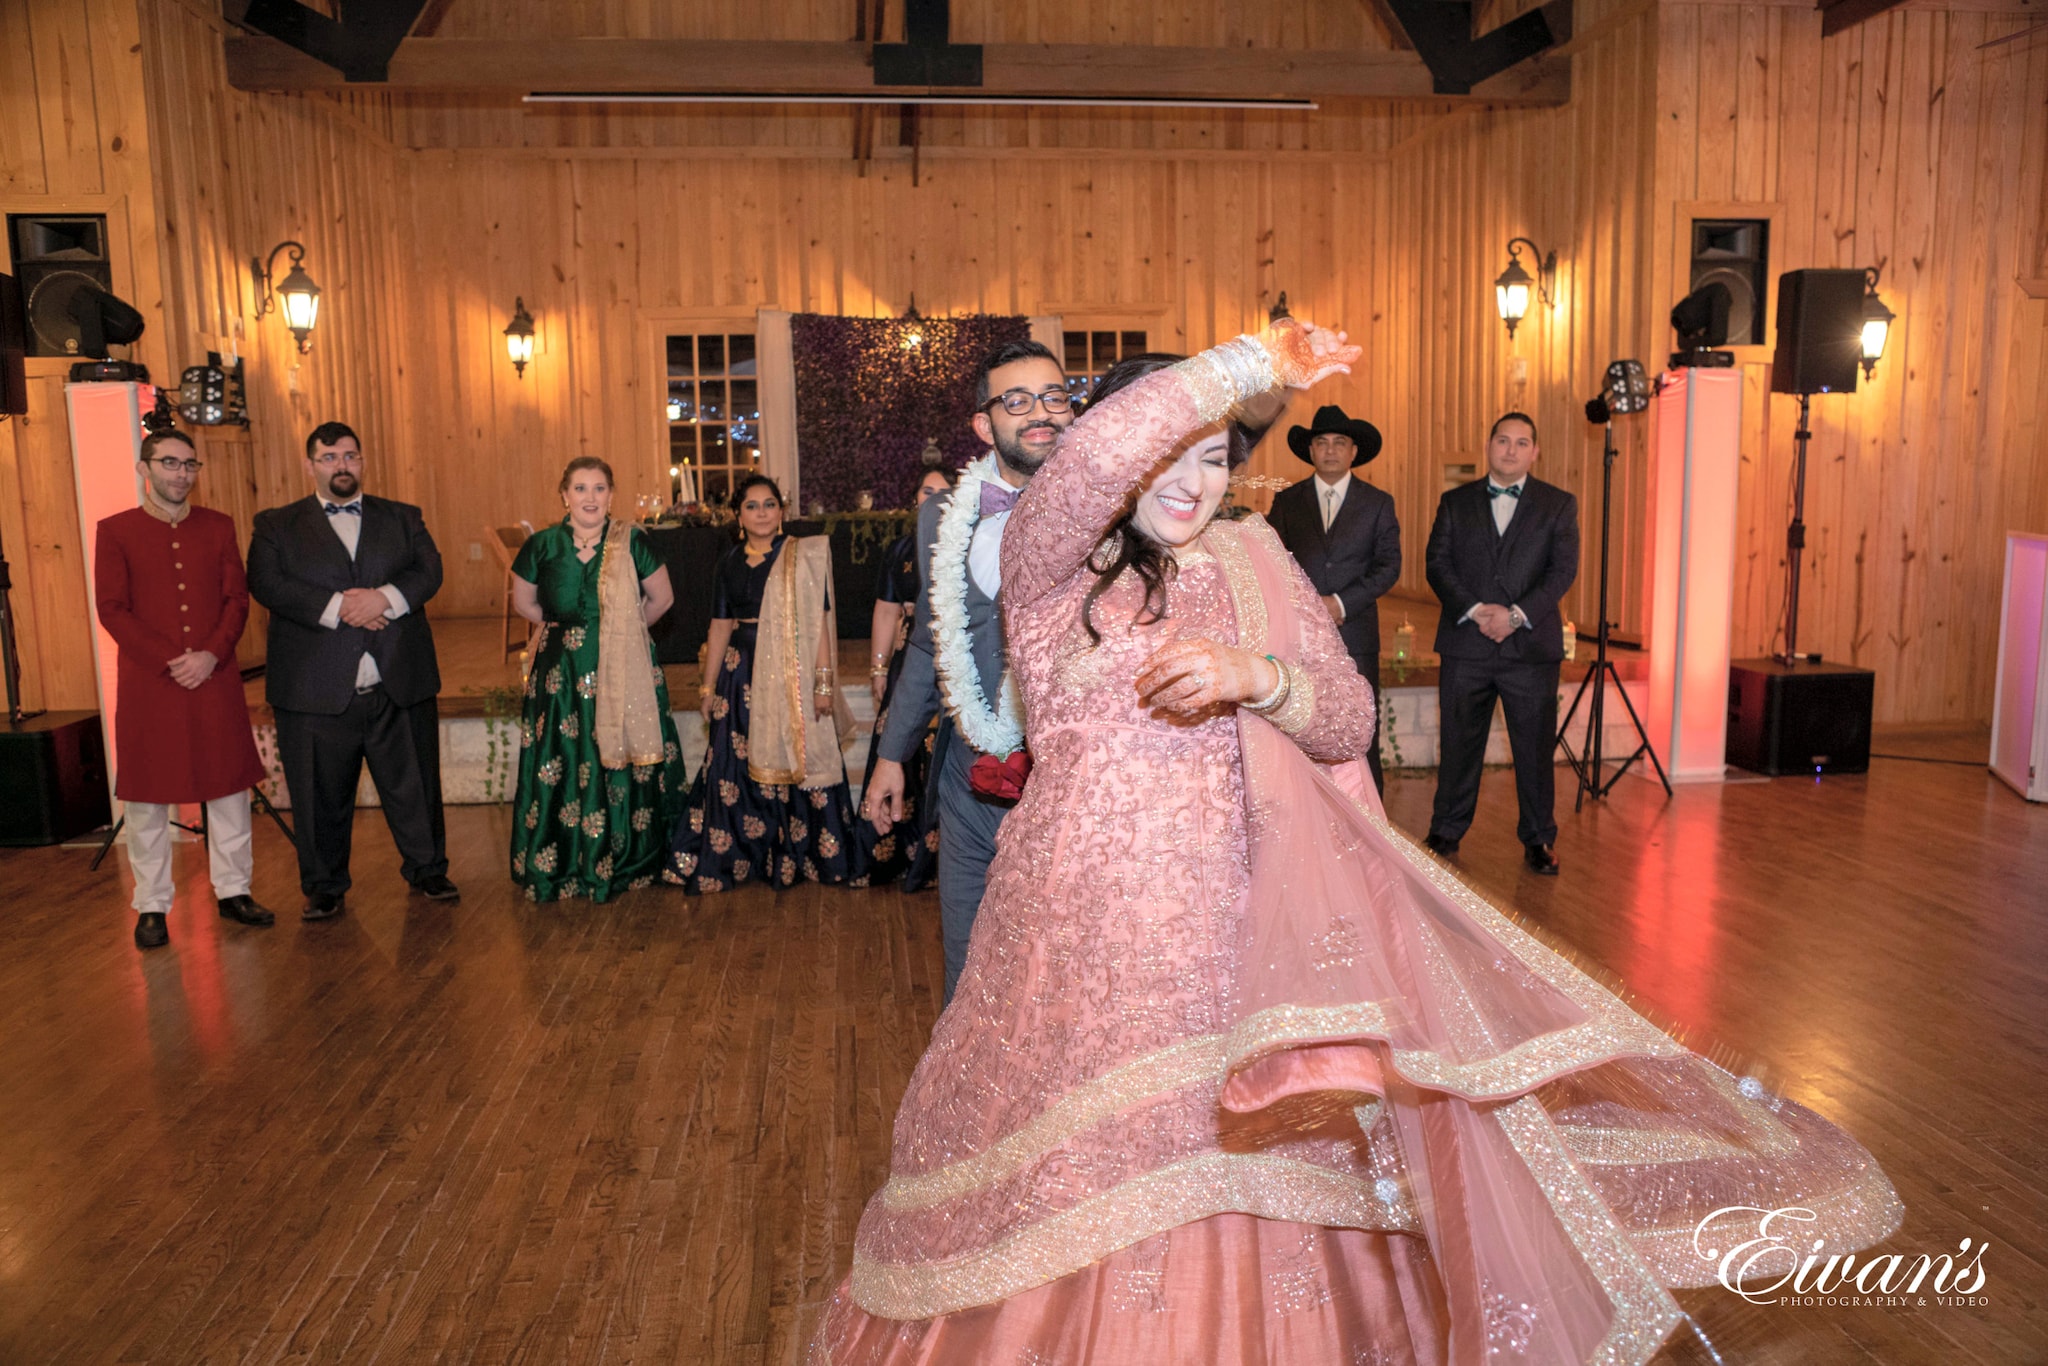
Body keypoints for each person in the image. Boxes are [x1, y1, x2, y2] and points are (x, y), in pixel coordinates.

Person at [812, 324, 1901, 1363]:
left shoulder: (1256, 560)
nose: (1194, 483)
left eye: (1215, 458)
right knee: (1082, 1182)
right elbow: (1093, 454)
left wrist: (1262, 677)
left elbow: (1340, 717)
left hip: (1239, 930)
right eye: (1169, 457)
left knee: (1239, 1168)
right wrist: (1249, 361)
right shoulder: (1050, 560)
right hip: (1075, 950)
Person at [862, 339, 1077, 1002]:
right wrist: (893, 754)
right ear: (986, 425)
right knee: (970, 969)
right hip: (968, 777)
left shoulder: (1111, 512)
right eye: (1017, 400)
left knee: (1066, 974)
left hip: (1073, 780)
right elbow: (932, 642)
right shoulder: (939, 518)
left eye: (1054, 397)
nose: (1039, 412)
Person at [247, 421, 458, 920]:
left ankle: (428, 868)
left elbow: (429, 570)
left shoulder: (404, 518)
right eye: (329, 457)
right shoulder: (276, 525)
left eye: (350, 456)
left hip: (397, 679)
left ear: (362, 462)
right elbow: (267, 583)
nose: (342, 465)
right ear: (310, 465)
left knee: (415, 784)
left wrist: (384, 599)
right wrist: (339, 607)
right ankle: (324, 885)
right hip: (314, 687)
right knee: (319, 793)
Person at [94, 429, 272, 950]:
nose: (181, 474)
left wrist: (212, 654)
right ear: (143, 468)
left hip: (213, 675)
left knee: (228, 788)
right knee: (148, 798)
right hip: (152, 683)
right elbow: (112, 609)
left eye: (190, 465)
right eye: (170, 463)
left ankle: (234, 890)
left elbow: (235, 599)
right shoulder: (117, 530)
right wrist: (170, 662)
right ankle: (151, 903)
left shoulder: (218, 527)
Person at [667, 474, 863, 892]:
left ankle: (804, 856)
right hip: (743, 676)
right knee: (731, 765)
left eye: (769, 504)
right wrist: (708, 688)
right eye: (752, 505)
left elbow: (820, 626)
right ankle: (740, 855)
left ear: (782, 511)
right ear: (738, 515)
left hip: (794, 673)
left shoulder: (802, 558)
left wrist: (823, 685)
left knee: (800, 762)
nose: (761, 512)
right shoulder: (730, 562)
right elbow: (720, 626)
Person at [508, 457, 686, 901]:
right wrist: (566, 628)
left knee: (622, 754)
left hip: (623, 666)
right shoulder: (542, 546)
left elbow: (662, 599)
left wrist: (623, 632)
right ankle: (563, 860)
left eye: (600, 488)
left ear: (612, 495)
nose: (591, 497)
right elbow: (524, 604)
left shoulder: (632, 543)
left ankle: (628, 856)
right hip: (561, 673)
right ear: (564, 495)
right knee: (564, 755)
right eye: (581, 488)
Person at [1423, 412, 1578, 875]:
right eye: (1503, 440)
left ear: (1535, 452)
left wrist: (1514, 616)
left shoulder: (1558, 505)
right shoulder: (1455, 502)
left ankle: (1538, 839)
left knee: (1533, 750)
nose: (1511, 450)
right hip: (1466, 644)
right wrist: (1475, 611)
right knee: (1458, 744)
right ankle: (1446, 830)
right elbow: (1437, 563)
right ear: (1489, 446)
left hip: (1528, 651)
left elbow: (1562, 571)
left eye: (1521, 442)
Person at [1265, 403, 1402, 794]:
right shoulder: (1288, 503)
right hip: (1299, 640)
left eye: (1339, 442)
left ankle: (1371, 827)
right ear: (1310, 451)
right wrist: (1308, 608)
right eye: (1321, 442)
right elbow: (1275, 563)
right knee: (1301, 730)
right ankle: (1310, 816)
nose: (1329, 450)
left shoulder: (1378, 504)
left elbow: (1389, 567)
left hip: (1357, 636)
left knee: (1361, 734)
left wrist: (1340, 604)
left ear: (1353, 451)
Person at [854, 459, 954, 890]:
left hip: (952, 665)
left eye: (942, 492)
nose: (933, 500)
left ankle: (935, 860)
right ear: (915, 500)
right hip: (911, 661)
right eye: (926, 493)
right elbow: (886, 609)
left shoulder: (965, 543)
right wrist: (878, 669)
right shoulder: (900, 549)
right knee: (898, 748)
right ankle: (891, 854)